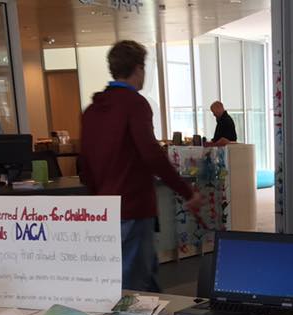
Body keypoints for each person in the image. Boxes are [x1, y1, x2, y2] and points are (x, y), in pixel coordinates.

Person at [79, 40, 202, 292]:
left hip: (106, 210)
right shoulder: (134, 104)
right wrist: (186, 191)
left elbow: (85, 163)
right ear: (138, 68)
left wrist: (98, 200)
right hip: (133, 206)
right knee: (139, 284)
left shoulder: (92, 111)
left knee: (125, 279)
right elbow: (152, 154)